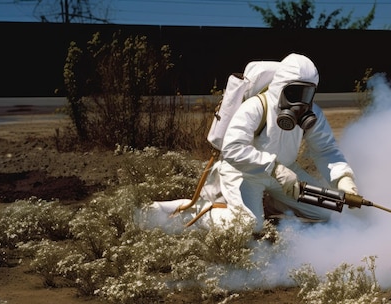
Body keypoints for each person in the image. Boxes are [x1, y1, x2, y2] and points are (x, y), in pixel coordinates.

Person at [147, 53, 359, 233]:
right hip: (245, 173)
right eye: (294, 92)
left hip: (285, 174)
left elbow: (326, 150)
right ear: (280, 87)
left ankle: (270, 202)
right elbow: (232, 149)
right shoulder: (256, 107)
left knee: (330, 210)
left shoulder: (313, 115)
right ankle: (188, 210)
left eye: (307, 94)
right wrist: (274, 168)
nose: (300, 103)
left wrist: (343, 179)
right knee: (248, 225)